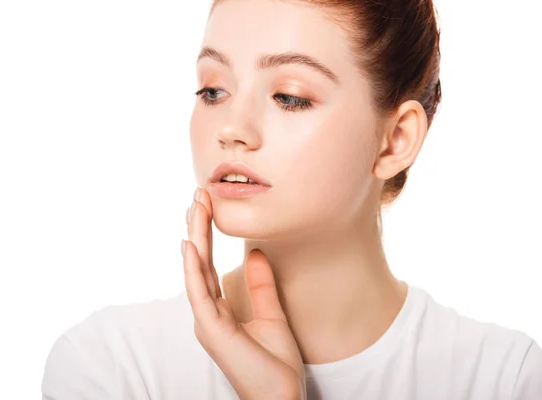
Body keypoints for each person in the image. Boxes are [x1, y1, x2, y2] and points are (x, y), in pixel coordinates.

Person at [41, 0, 542, 399]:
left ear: (395, 140)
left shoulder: (506, 379)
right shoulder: (113, 367)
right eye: (213, 90)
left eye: (290, 97)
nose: (232, 128)